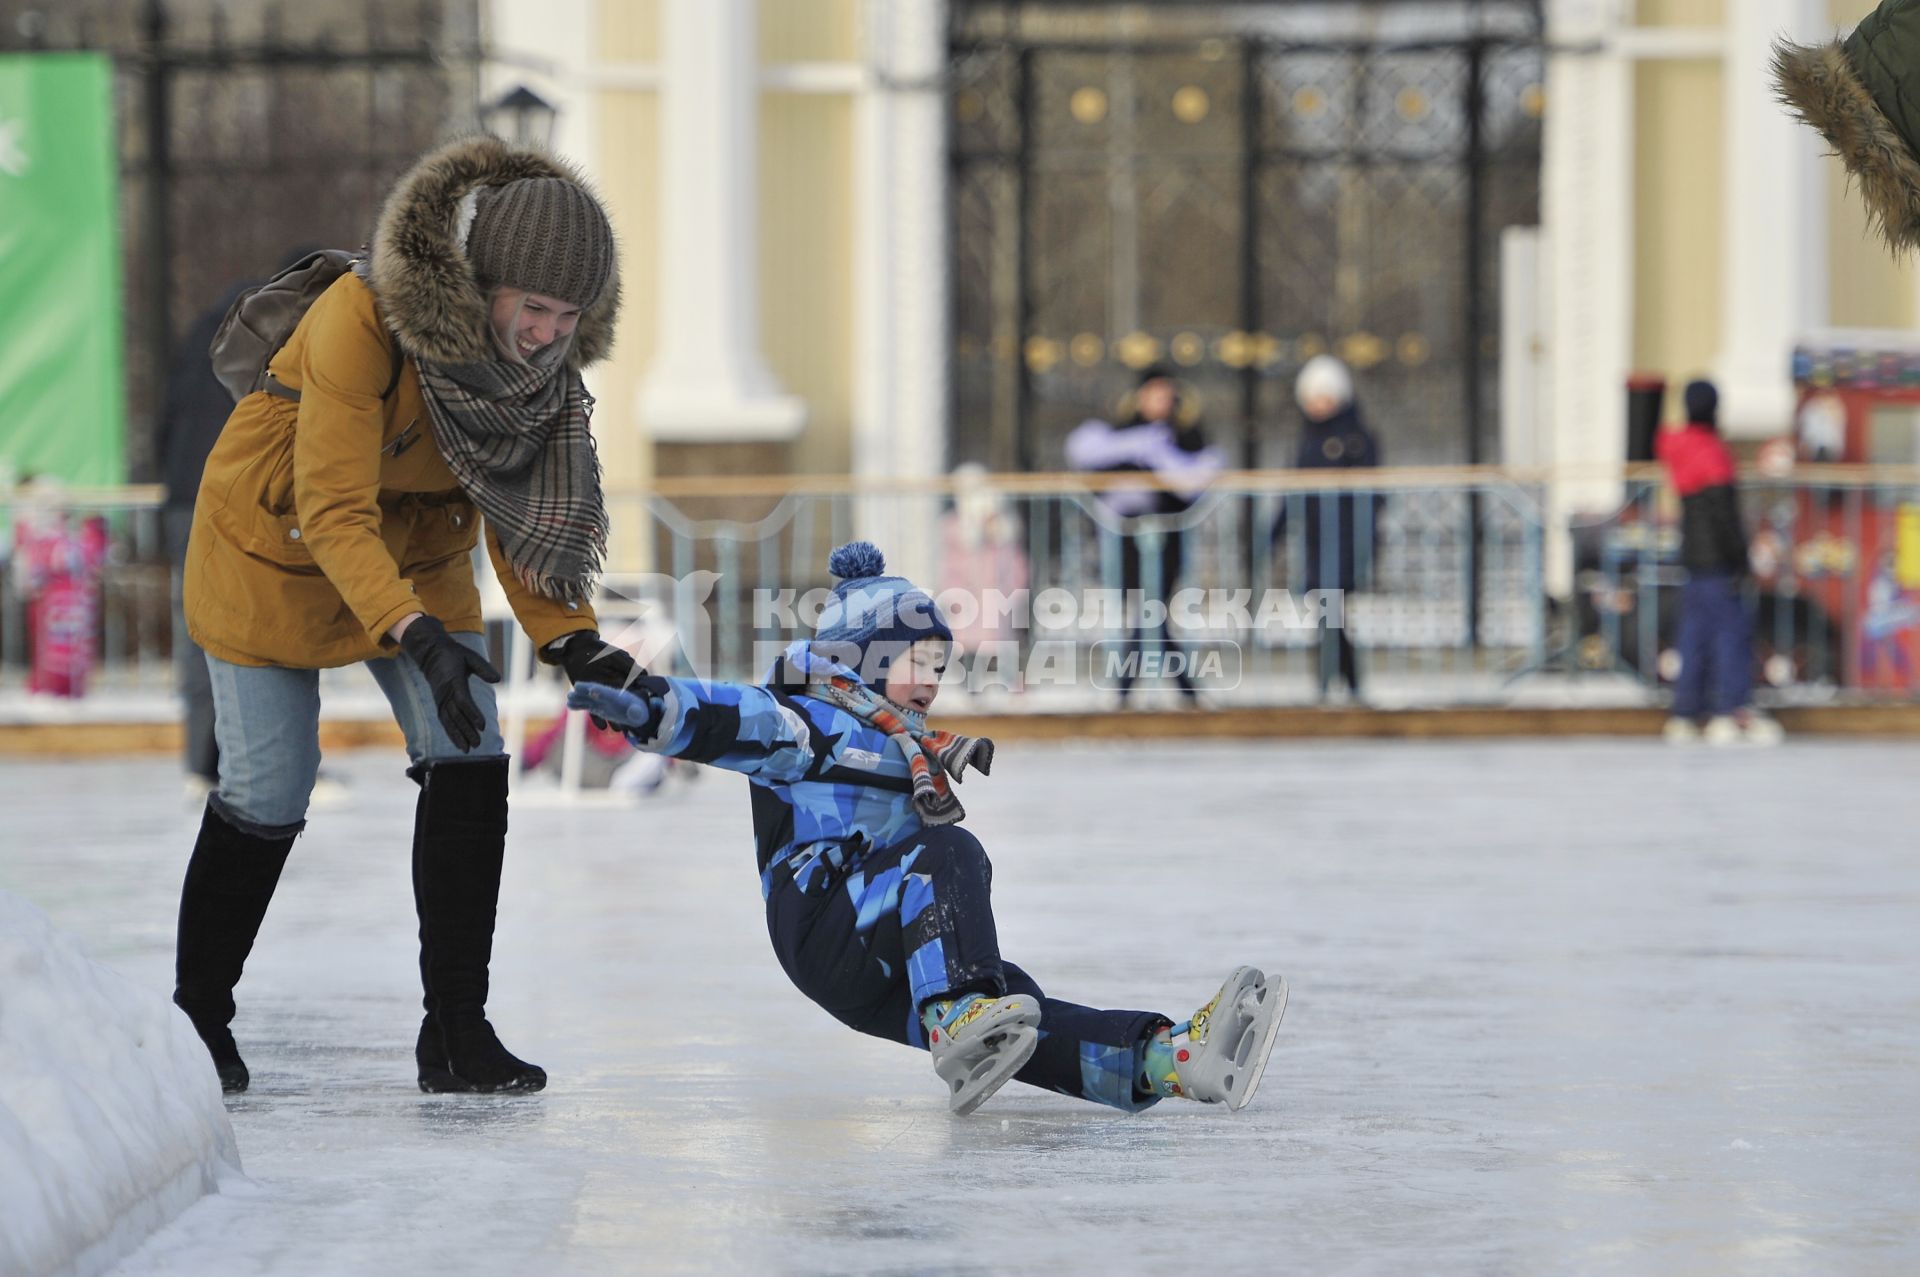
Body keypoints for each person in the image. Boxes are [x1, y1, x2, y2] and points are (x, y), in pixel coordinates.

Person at [173, 135, 639, 1095]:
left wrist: (571, 636)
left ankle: (457, 1032)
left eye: (568, 317)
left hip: (418, 548)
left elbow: (520, 509)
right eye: (534, 308)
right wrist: (415, 632)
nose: (548, 333)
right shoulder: (364, 319)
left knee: (472, 756)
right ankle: (196, 1022)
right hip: (276, 544)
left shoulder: (537, 368)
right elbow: (334, 506)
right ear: (485, 281)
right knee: (270, 785)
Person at [567, 541, 1287, 1117]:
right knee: (945, 853)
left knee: (1017, 1008)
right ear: (868, 657)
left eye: (941, 662)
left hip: (884, 941)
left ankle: (1167, 1061)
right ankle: (959, 1020)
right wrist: (650, 705)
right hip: (828, 922)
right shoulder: (808, 721)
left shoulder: (905, 743)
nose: (934, 677)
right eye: (920, 659)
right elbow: (730, 716)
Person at [1064, 365, 1224, 704]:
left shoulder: (1187, 437)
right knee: (1149, 613)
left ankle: (1133, 690)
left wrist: (1157, 454)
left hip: (1168, 537)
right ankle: (1183, 692)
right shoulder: (1121, 433)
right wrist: (1140, 446)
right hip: (1127, 538)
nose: (1161, 401)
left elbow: (1194, 481)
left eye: (1167, 395)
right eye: (1154, 394)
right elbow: (1084, 453)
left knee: (1151, 613)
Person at [1655, 380, 1782, 746]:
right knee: (1731, 633)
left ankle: (1684, 713)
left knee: (1694, 635)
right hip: (1717, 560)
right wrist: (1741, 559)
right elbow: (1725, 515)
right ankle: (1731, 710)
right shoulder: (1712, 451)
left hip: (1693, 557)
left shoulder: (1678, 446)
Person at [1275, 355, 1380, 703]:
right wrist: (1274, 532)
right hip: (1319, 538)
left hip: (1348, 538)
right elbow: (1295, 491)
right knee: (1327, 610)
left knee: (1329, 607)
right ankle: (1343, 682)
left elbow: (1373, 491)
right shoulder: (1307, 439)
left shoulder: (1356, 437)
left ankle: (1333, 681)